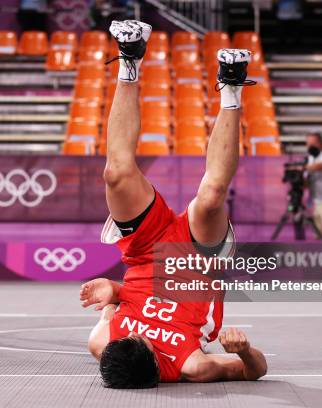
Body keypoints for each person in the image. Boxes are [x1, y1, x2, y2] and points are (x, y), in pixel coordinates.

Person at [79, 20, 267, 388]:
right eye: (137, 338)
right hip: (195, 267)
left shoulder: (104, 342)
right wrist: (243, 351)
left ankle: (129, 59)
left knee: (116, 174)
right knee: (211, 197)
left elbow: (117, 307)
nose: (131, 333)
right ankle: (231, 85)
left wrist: (111, 291)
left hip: (143, 252)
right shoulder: (193, 366)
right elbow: (255, 371)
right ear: (150, 353)